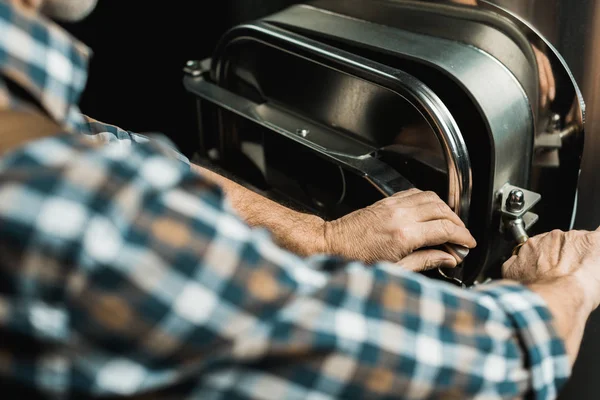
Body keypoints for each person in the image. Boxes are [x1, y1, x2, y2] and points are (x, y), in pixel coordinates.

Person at [0, 0, 597, 398]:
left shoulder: (28, 127)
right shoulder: (71, 210)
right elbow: (486, 363)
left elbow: (101, 142)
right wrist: (558, 289)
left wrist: (319, 237)